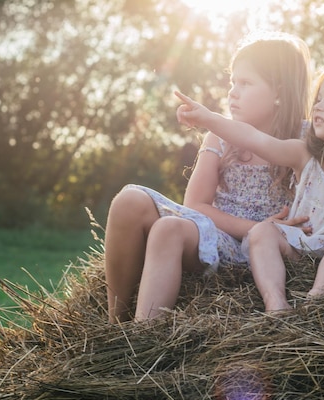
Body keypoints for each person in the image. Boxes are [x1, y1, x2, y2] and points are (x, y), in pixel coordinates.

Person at [175, 57, 324, 312]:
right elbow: (254, 139)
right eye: (318, 99)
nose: (318, 107)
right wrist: (208, 118)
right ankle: (276, 304)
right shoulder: (306, 156)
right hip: (302, 255)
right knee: (263, 231)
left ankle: (317, 301)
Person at [104, 32, 312, 322]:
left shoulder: (306, 138)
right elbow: (196, 208)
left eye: (245, 83)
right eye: (232, 82)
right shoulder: (219, 137)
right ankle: (117, 327)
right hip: (219, 240)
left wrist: (268, 232)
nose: (232, 93)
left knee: (168, 229)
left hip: (269, 250)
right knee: (129, 200)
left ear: (278, 91)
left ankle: (143, 336)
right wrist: (256, 226)